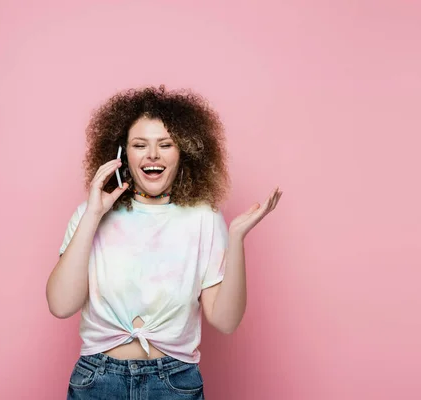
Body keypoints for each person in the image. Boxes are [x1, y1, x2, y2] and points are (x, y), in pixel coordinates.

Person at [46, 86, 282, 399]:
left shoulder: (203, 218)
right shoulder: (89, 215)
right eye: (139, 145)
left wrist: (236, 237)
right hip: (98, 381)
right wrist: (92, 215)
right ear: (121, 155)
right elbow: (61, 305)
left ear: (183, 152)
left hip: (174, 381)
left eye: (165, 144)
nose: (152, 154)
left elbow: (225, 321)